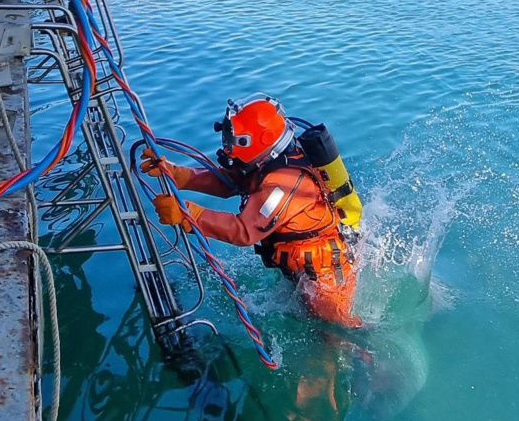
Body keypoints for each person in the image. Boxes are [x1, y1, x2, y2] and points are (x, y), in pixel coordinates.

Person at [141, 94, 364, 328]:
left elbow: (244, 231)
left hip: (327, 272)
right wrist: (178, 174)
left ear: (262, 140)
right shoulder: (268, 162)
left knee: (335, 329)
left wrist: (190, 214)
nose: (228, 149)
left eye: (235, 141)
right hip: (303, 266)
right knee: (311, 318)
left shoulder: (282, 186)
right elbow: (230, 182)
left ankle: (370, 357)